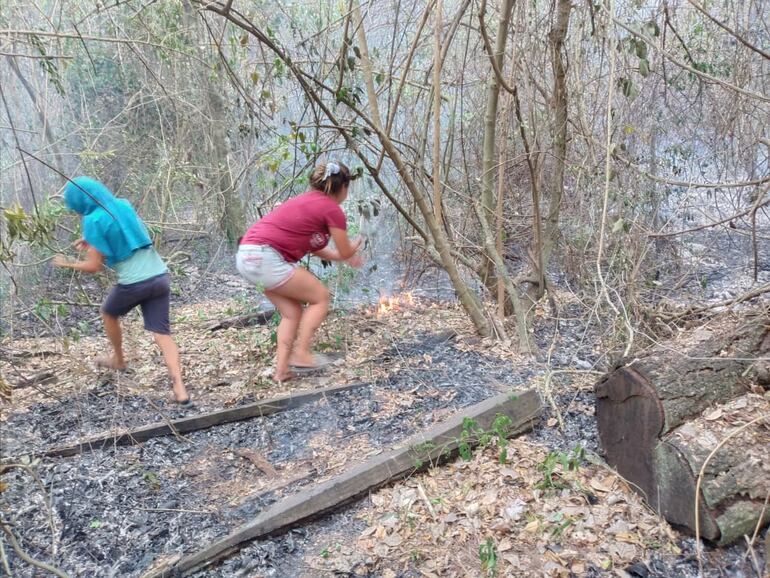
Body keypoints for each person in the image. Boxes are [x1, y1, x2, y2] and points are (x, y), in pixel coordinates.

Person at [53, 176, 191, 405]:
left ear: (79, 203)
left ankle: (118, 359)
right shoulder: (122, 205)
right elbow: (125, 234)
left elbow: (94, 266)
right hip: (160, 277)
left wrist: (66, 262)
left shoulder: (92, 220)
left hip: (135, 283)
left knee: (108, 312)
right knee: (162, 335)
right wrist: (91, 242)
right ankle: (180, 389)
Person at [237, 161, 364, 382]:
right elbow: (344, 251)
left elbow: (316, 247)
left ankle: (282, 371)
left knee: (292, 312)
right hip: (267, 257)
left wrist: (342, 255)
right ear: (342, 187)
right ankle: (302, 353)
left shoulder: (303, 202)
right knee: (320, 297)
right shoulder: (332, 210)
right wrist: (352, 249)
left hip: (246, 255)